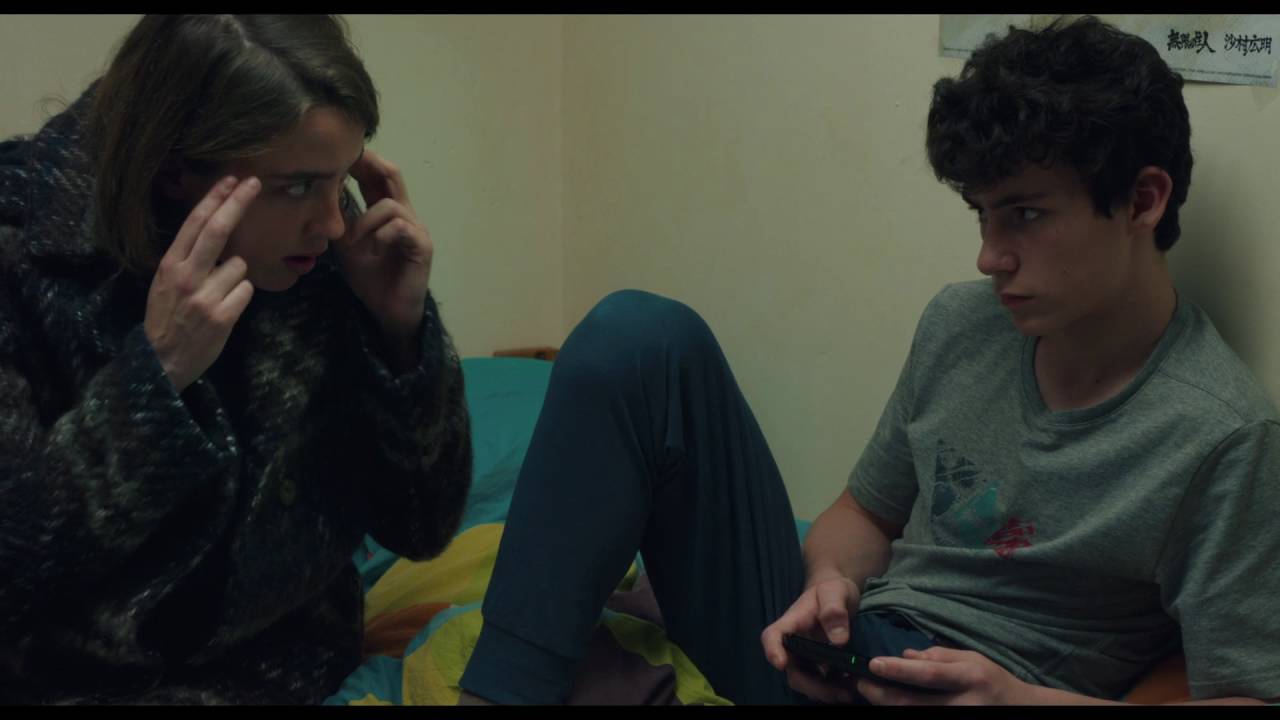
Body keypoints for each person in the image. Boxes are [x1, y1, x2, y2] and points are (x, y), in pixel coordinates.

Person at [456, 16, 1280, 705]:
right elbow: (862, 515)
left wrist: (1019, 702)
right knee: (636, 336)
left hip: (997, 692)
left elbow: (1244, 693)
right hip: (847, 654)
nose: (991, 257)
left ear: (1143, 200)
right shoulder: (964, 322)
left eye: (1026, 215)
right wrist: (830, 585)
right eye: (982, 216)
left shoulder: (1222, 435)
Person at [0, 15, 472, 704]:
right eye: (298, 187)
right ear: (173, 172)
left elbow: (422, 528)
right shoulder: (20, 252)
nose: (333, 222)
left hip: (281, 673)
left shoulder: (327, 249)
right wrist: (153, 380)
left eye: (340, 178)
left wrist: (398, 333)